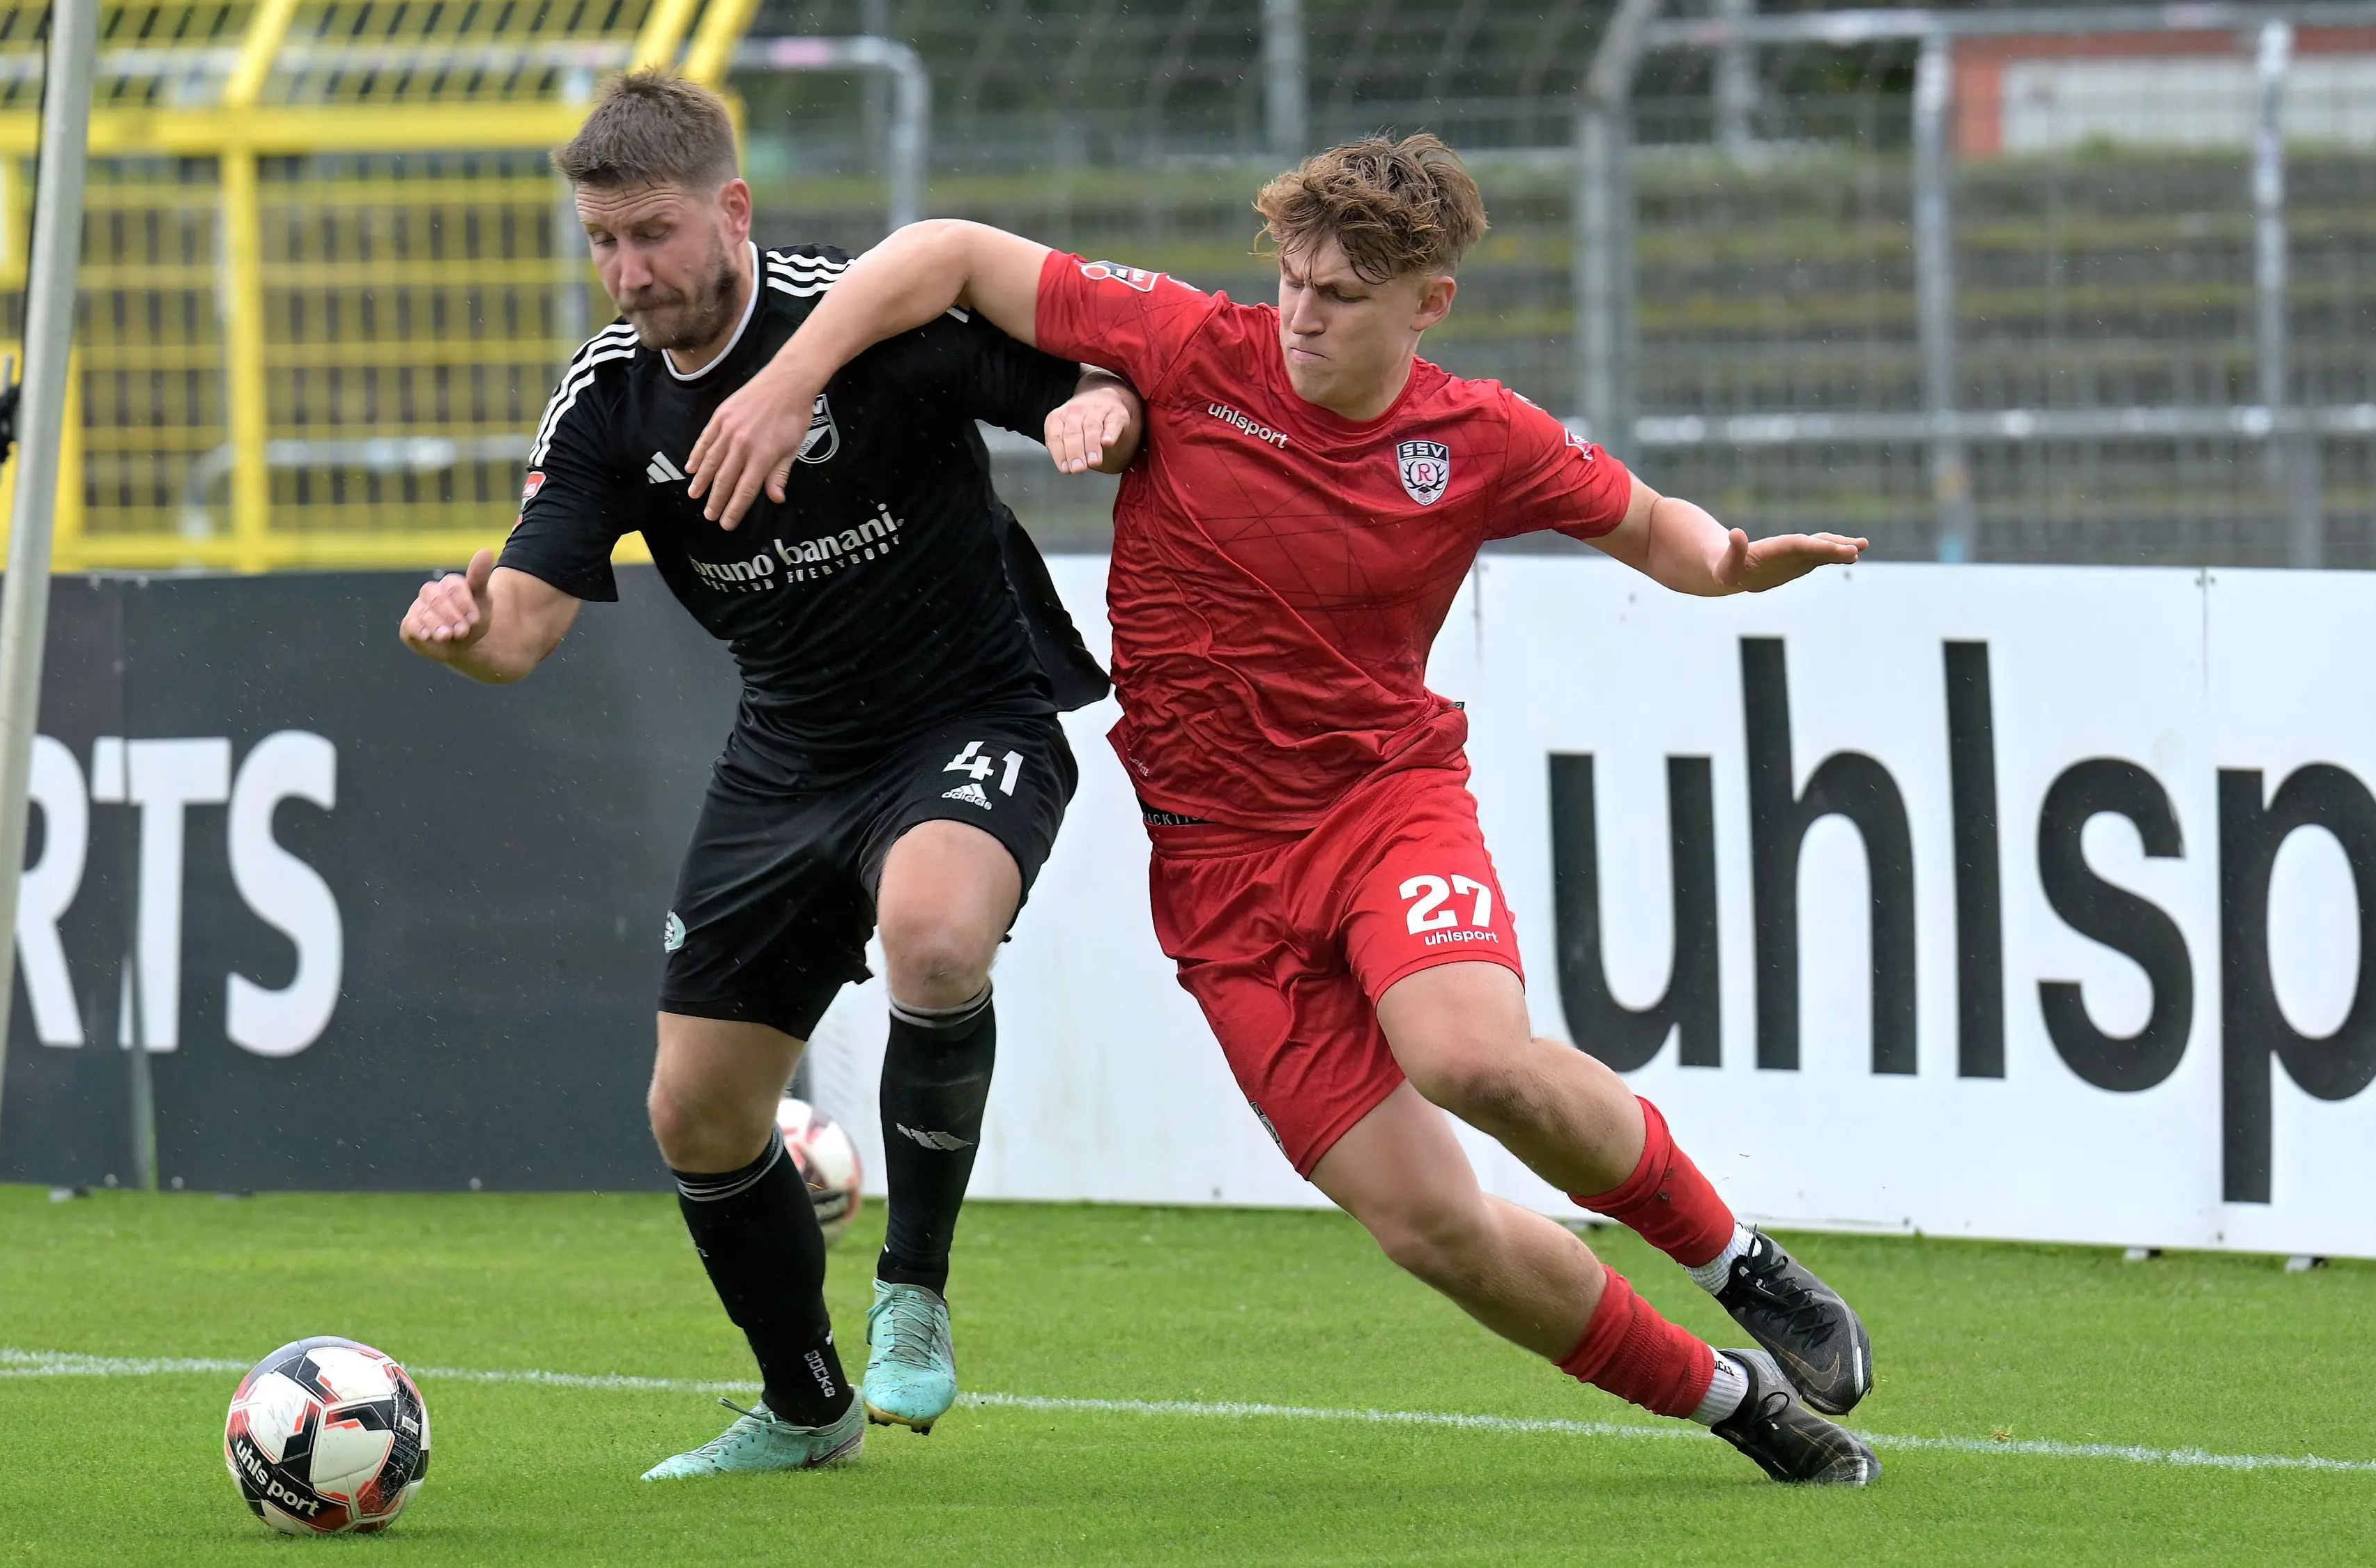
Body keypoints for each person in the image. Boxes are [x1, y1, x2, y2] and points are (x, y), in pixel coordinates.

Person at [687, 133, 1884, 1486]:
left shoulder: (1478, 436)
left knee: (1466, 1055)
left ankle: (1742, 1266)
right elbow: (950, 253)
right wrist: (787, 381)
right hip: (1217, 878)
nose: (1303, 314)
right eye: (1293, 281)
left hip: (1382, 809)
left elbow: (1650, 524)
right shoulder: (1192, 346)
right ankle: (1735, 1402)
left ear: (1428, 303)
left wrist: (1725, 566)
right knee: (1427, 1227)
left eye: (1342, 296)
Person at [397, 72, 1144, 1479]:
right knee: (695, 1113)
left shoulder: (859, 317)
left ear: (732, 209)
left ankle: (911, 1292)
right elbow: (523, 632)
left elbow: (1089, 378)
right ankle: (806, 1406)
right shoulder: (607, 400)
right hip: (789, 757)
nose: (629, 272)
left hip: (969, 714)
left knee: (934, 934)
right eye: (603, 242)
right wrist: (461, 633)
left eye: (654, 234)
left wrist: (1088, 414)